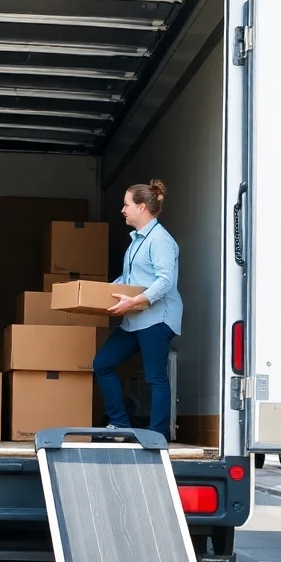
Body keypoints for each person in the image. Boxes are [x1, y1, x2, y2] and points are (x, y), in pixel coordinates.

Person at [95, 179, 182, 440]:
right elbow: (128, 278)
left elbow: (165, 281)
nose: (122, 209)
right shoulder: (136, 242)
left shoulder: (161, 240)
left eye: (126, 204)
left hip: (157, 318)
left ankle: (158, 434)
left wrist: (135, 301)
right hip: (134, 320)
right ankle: (120, 424)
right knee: (102, 364)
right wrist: (97, 295)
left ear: (142, 207)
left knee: (155, 378)